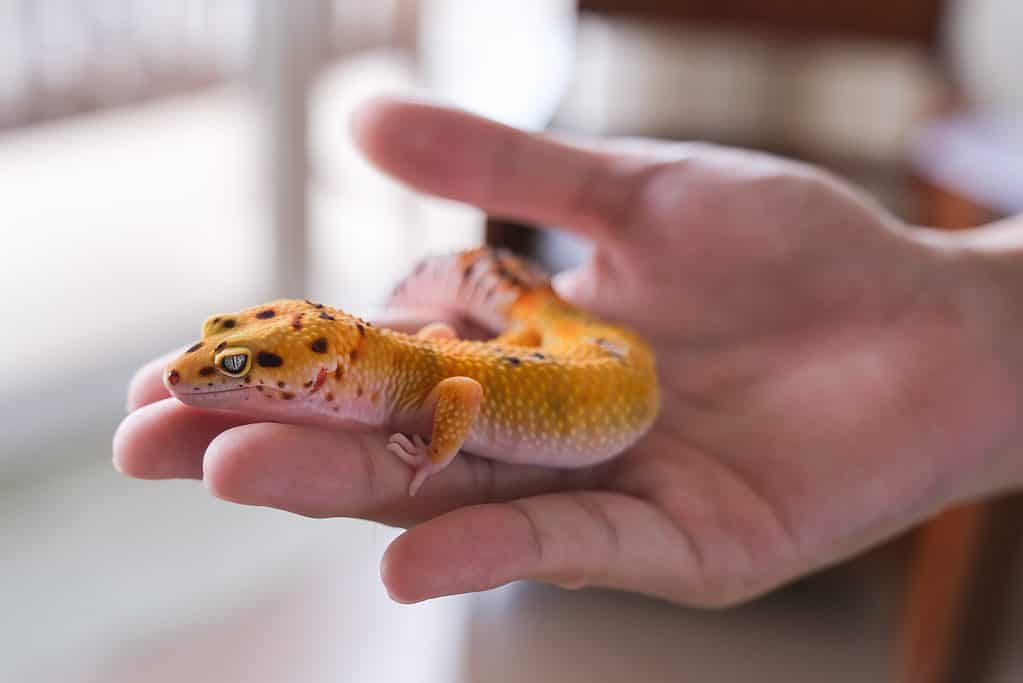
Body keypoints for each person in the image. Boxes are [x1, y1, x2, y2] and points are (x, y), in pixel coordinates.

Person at [113, 97, 1023, 607]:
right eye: (221, 354)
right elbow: (442, 355)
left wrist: (430, 450)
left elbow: (457, 390)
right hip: (562, 341)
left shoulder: (437, 382)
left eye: (237, 367)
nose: (206, 374)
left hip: (604, 371)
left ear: (334, 371)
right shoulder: (422, 361)